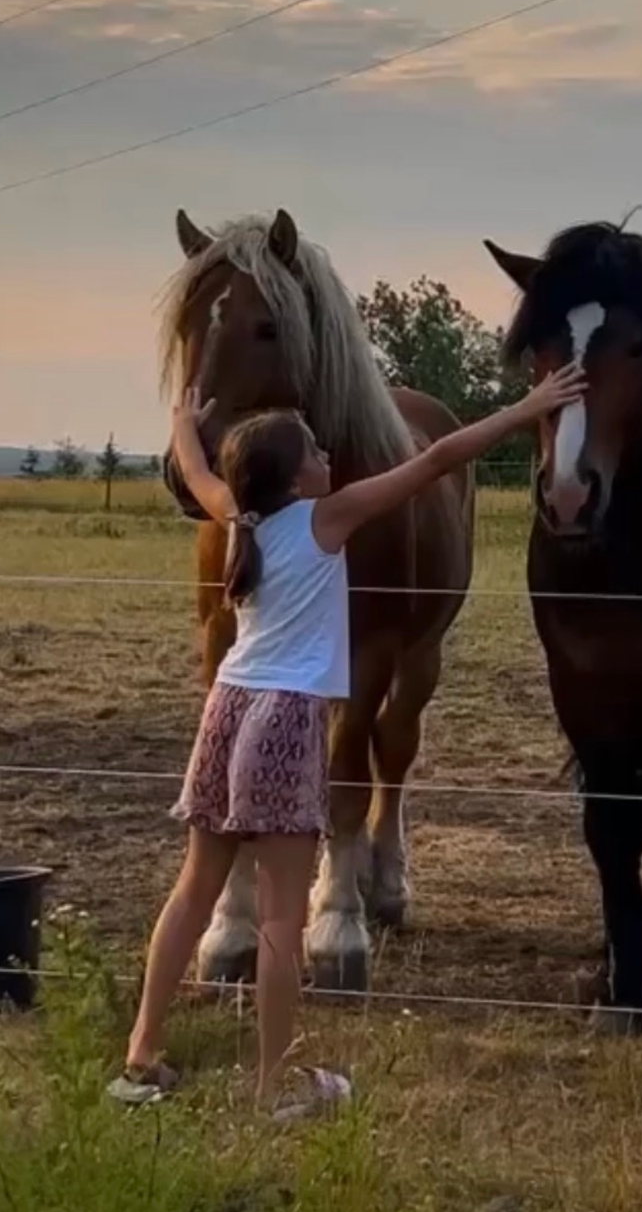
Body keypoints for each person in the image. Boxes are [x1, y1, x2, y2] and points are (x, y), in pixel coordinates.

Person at [109, 357, 586, 1120]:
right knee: (279, 915)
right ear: (297, 479)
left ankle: (139, 1054)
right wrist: (526, 407)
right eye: (316, 453)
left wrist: (182, 423)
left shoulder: (237, 515)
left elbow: (197, 468)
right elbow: (436, 458)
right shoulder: (329, 520)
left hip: (226, 709)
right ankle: (272, 1085)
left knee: (193, 888)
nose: (329, 458)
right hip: (288, 719)